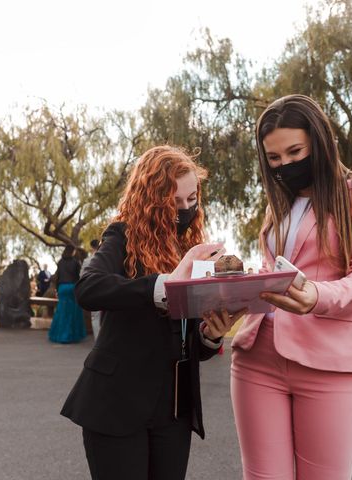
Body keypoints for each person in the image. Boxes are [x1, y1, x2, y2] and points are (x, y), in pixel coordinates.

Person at [225, 94, 352, 480]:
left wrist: (317, 295)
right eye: (274, 158)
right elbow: (274, 272)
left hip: (330, 364)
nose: (285, 165)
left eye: (295, 151)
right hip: (257, 359)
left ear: (319, 141)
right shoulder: (278, 203)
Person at [61, 145, 244, 480]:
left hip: (173, 410)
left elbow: (189, 342)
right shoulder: (123, 234)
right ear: (151, 198)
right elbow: (88, 288)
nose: (185, 210)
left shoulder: (192, 248)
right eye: (175, 202)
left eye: (192, 200)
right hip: (116, 403)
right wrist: (165, 285)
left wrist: (210, 334)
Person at [48, 246, 86, 343]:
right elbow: (78, 277)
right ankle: (71, 336)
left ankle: (57, 334)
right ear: (72, 252)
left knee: (61, 311)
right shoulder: (75, 262)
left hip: (62, 288)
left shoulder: (60, 262)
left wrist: (57, 289)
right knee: (73, 311)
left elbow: (58, 276)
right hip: (71, 287)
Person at [80, 239, 102, 339]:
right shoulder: (107, 257)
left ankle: (98, 340)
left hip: (93, 289)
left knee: (95, 317)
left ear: (91, 247)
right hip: (106, 287)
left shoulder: (87, 261)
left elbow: (81, 276)